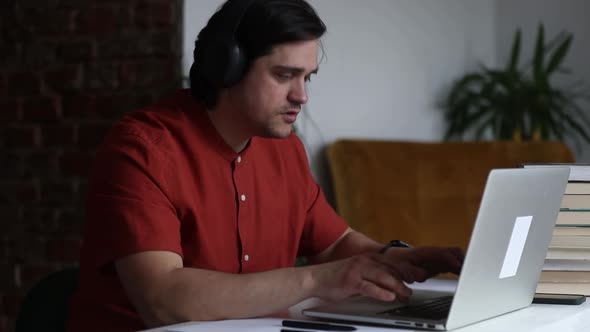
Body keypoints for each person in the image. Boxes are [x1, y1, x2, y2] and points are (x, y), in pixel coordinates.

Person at [67, 0, 463, 331]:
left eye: (308, 77)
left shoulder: (286, 149)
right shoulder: (142, 150)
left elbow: (334, 245)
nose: (302, 96)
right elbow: (164, 300)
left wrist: (390, 258)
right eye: (285, 75)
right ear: (227, 67)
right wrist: (315, 279)